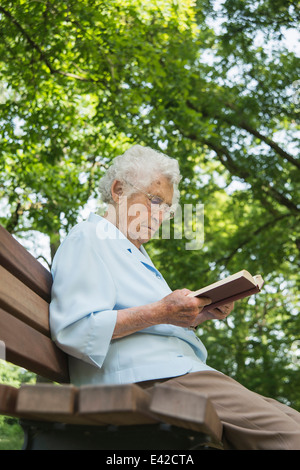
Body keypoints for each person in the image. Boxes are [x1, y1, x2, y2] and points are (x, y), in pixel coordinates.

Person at [49, 144, 300, 450]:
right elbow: (75, 329)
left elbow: (155, 322)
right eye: (154, 200)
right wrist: (161, 312)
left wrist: (198, 314)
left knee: (293, 421)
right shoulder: (89, 238)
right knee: (291, 437)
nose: (161, 215)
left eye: (166, 208)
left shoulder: (133, 252)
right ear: (118, 191)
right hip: (147, 379)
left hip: (178, 372)